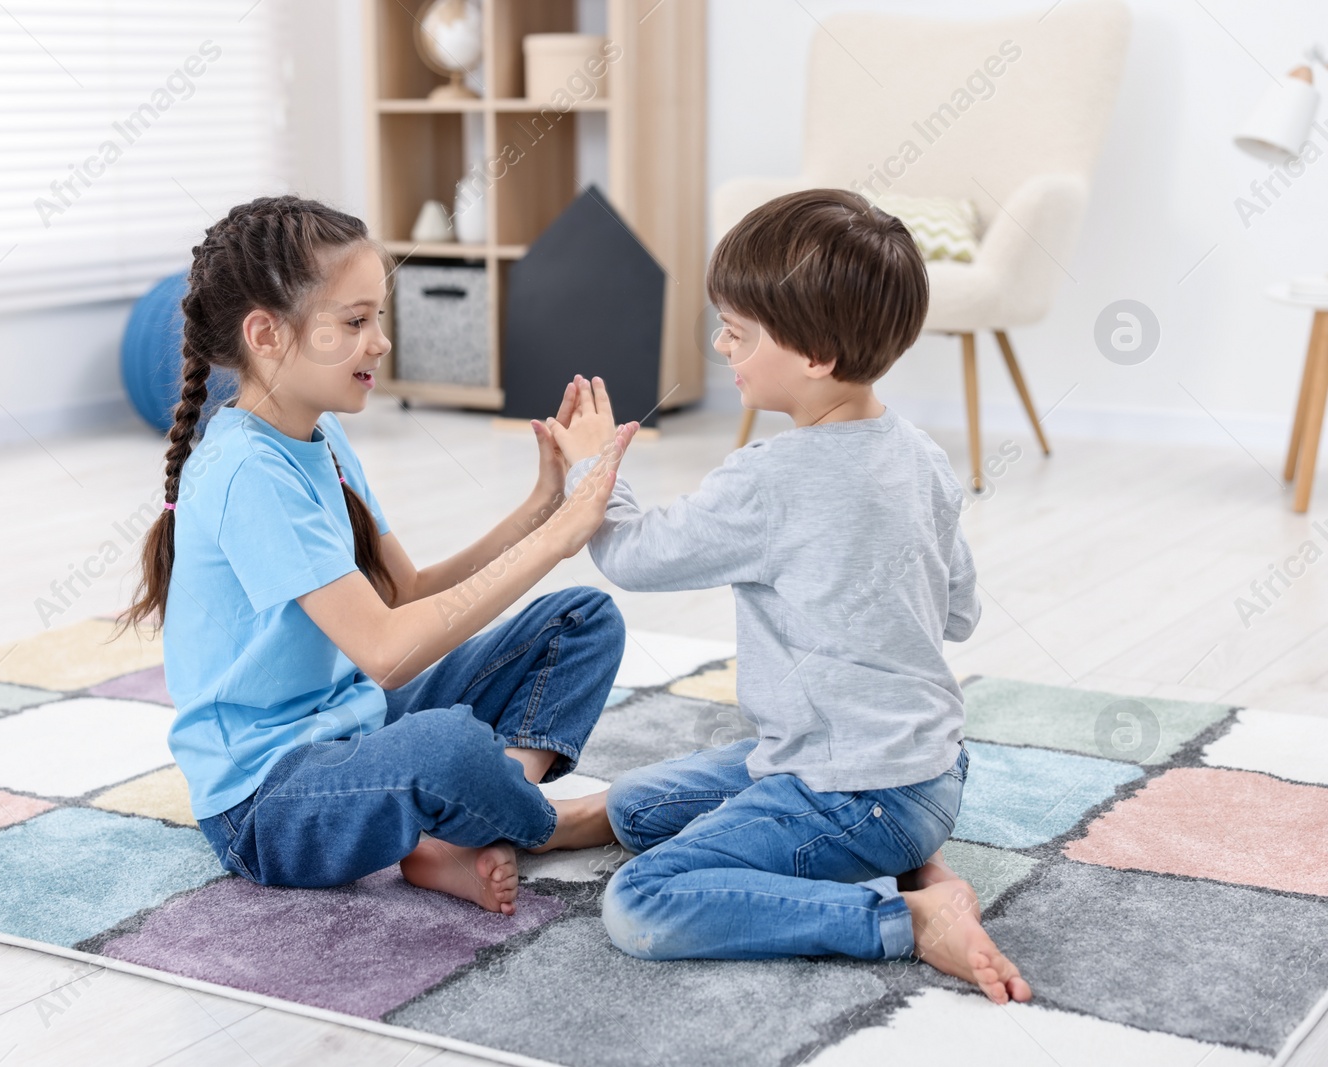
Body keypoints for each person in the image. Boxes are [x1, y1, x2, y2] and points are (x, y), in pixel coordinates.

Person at [545, 189, 1032, 1003]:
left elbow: (630, 554)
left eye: (737, 331)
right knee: (638, 803)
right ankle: (923, 859)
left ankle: (905, 917)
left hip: (850, 788)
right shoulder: (923, 455)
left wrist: (594, 466)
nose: (720, 343)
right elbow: (960, 613)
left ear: (814, 355)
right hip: (929, 773)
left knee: (642, 901)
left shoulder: (770, 479)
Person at [123, 195, 635, 915]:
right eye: (355, 321)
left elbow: (405, 594)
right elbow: (388, 650)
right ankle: (544, 823)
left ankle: (462, 831)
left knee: (582, 620)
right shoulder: (246, 472)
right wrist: (559, 538)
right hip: (267, 802)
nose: (381, 342)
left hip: (357, 722)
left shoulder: (322, 438)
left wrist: (541, 510)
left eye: (379, 318)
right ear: (267, 333)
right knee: (445, 749)